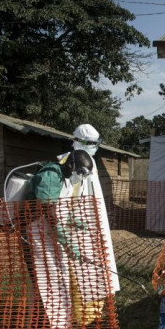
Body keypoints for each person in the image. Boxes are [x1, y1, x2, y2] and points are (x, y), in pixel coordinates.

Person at [25, 150, 111, 329]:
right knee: (47, 282)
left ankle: (56, 326)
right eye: (79, 172)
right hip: (39, 235)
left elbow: (58, 206)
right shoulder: (50, 175)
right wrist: (68, 242)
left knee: (60, 279)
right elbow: (48, 212)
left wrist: (73, 220)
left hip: (50, 235)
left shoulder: (62, 177)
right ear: (71, 165)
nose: (79, 177)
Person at [66, 124, 120, 295]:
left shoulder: (91, 162)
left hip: (92, 219)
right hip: (76, 221)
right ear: (78, 141)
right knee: (79, 265)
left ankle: (97, 297)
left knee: (96, 259)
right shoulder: (71, 162)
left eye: (96, 144)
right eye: (91, 143)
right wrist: (70, 217)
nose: (94, 148)